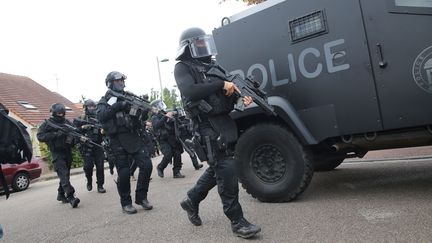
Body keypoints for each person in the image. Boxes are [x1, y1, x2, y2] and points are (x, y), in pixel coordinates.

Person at [174, 27, 261, 239]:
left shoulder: (213, 66)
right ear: (189, 46)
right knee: (227, 170)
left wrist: (240, 98)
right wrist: (221, 83)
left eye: (206, 42)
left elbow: (225, 97)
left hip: (225, 123)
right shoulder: (182, 67)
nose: (205, 47)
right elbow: (191, 91)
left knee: (219, 168)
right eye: (200, 43)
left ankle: (191, 200)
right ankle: (237, 221)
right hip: (206, 126)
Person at [97, 71, 153, 214]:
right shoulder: (106, 100)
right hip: (117, 140)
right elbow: (101, 116)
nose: (121, 83)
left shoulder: (129, 96)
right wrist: (117, 106)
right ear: (110, 83)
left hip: (134, 136)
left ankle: (141, 197)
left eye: (122, 80)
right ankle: (126, 203)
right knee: (124, 173)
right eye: (117, 81)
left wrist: (143, 111)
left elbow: (138, 117)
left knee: (146, 165)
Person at [37, 103, 81, 208]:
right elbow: (40, 136)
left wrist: (76, 138)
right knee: (64, 174)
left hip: (67, 151)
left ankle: (61, 194)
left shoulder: (67, 122)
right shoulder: (47, 124)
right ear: (53, 112)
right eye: (58, 113)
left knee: (65, 175)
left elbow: (76, 132)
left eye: (62, 113)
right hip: (56, 152)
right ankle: (71, 197)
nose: (60, 115)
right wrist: (56, 135)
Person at [73, 99, 106, 193]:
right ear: (86, 107)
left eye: (93, 106)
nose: (92, 108)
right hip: (86, 146)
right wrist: (82, 128)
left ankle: (100, 185)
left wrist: (104, 131)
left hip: (98, 145)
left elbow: (106, 130)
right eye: (90, 107)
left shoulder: (99, 118)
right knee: (88, 167)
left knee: (100, 167)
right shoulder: (81, 119)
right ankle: (89, 180)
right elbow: (74, 132)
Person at [150, 100, 185, 179]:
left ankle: (176, 172)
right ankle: (160, 167)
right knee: (168, 155)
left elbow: (177, 123)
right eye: (159, 104)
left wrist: (175, 116)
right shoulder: (154, 117)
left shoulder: (166, 113)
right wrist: (166, 117)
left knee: (177, 154)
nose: (161, 105)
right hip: (163, 140)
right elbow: (156, 125)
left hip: (172, 138)